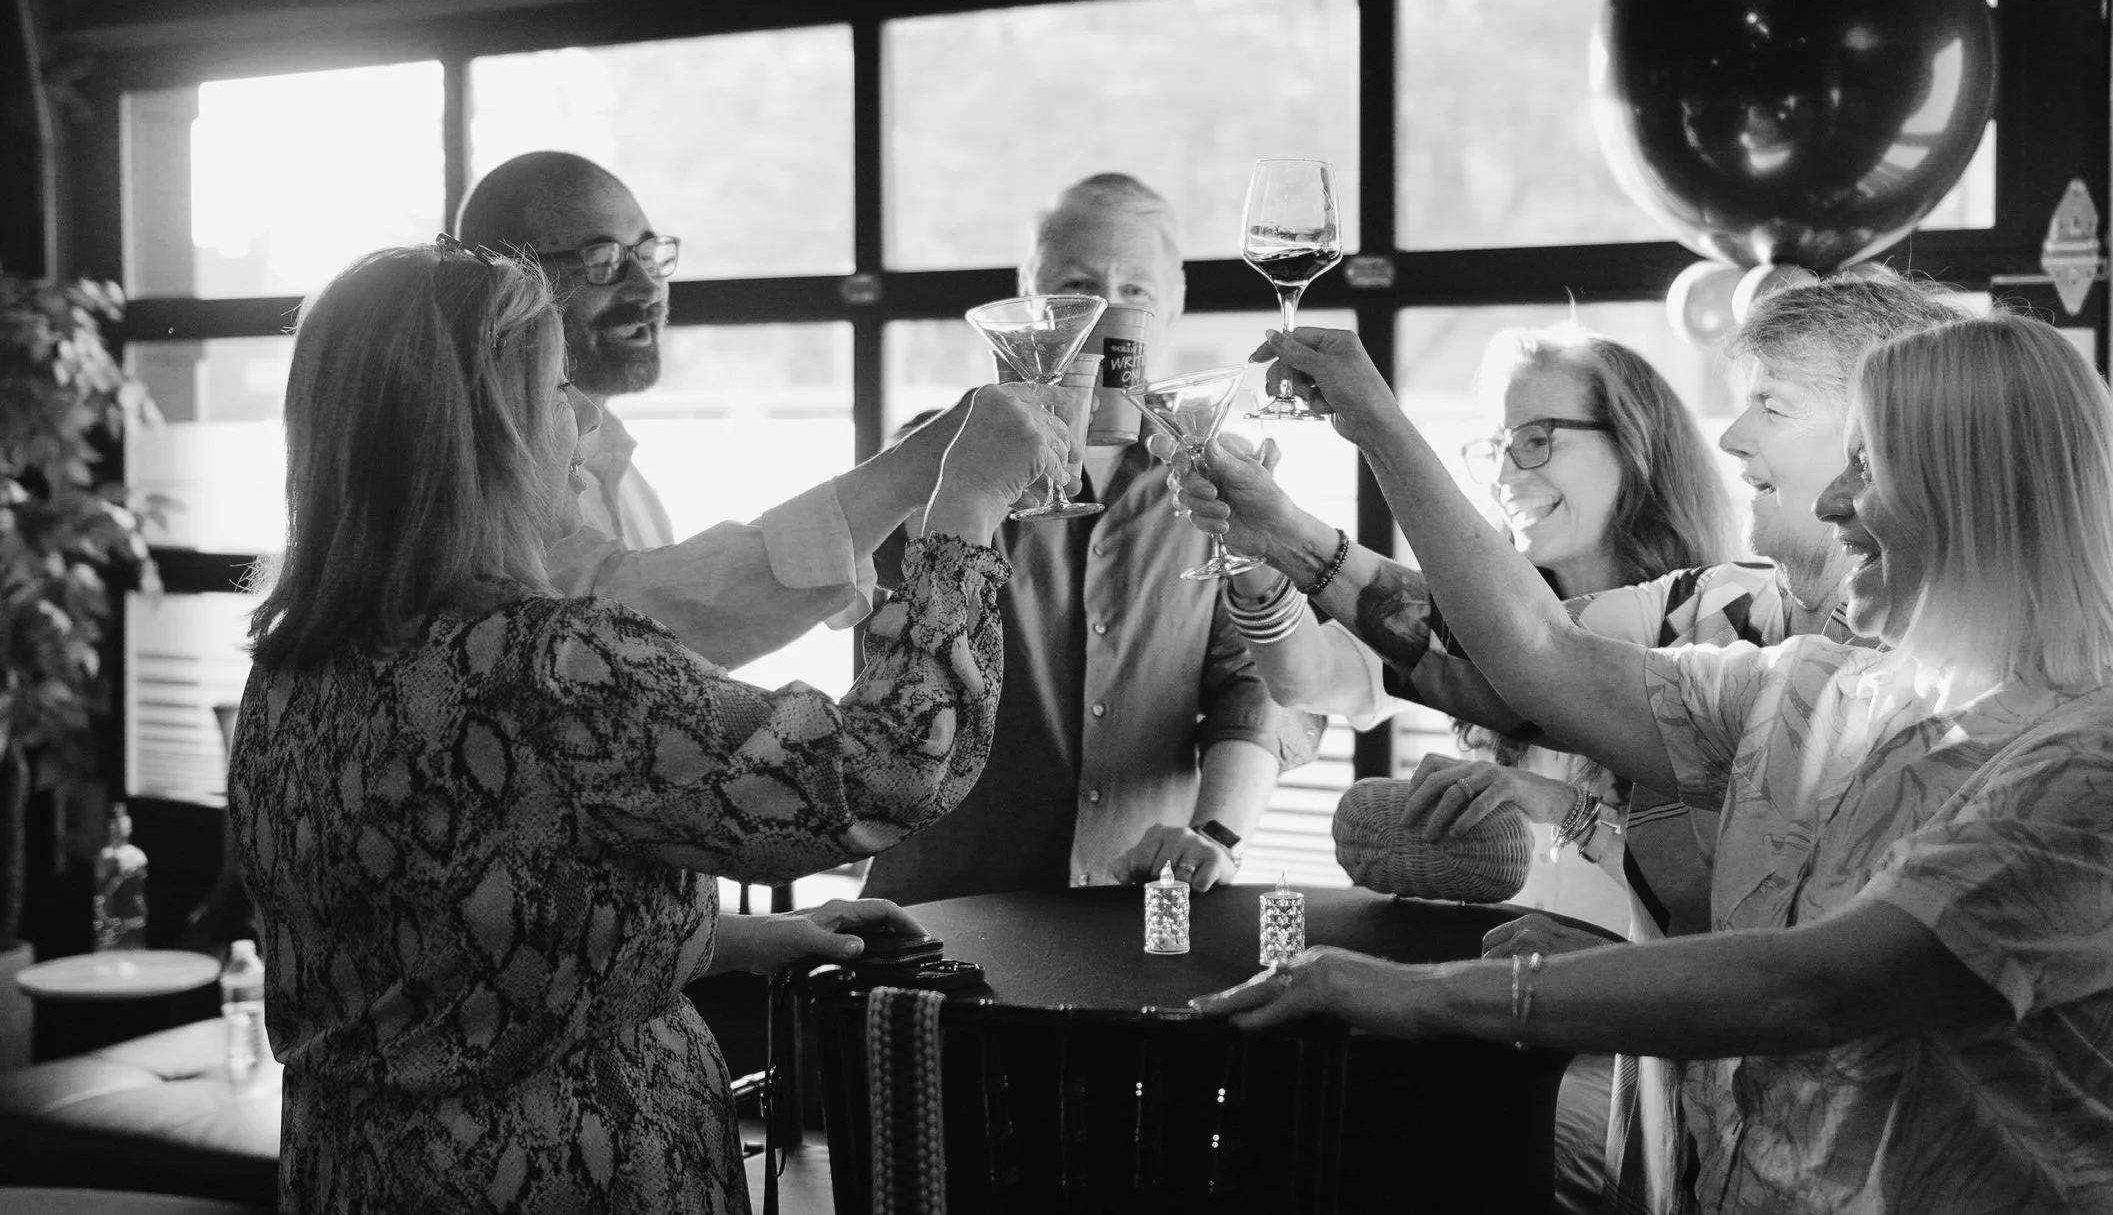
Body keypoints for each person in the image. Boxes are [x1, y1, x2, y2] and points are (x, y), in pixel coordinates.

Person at [1196, 311, 2113, 1213]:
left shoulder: (2110, 764)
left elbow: (1811, 990)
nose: (1834, 503)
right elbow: (1537, 655)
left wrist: (1424, 994)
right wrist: (1369, 426)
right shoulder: (1819, 685)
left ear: (1977, 492)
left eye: (1869, 465)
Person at [227, 241, 1071, 1213]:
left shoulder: (287, 673)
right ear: (486, 429)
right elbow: (882, 772)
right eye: (557, 389)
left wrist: (734, 938)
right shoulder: (551, 663)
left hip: (352, 1175)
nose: (585, 421)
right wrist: (966, 508)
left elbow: (454, 934)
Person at [863, 174, 1322, 905]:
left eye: (1134, 290)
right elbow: (884, 673)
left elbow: (1259, 688)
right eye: (1077, 286)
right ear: (1029, 294)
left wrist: (1216, 834)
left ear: (1173, 308)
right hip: (944, 911)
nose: (1106, 313)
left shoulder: (1218, 487)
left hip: (1138, 909)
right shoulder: (933, 459)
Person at [1215, 323, 1736, 930]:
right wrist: (1257, 552)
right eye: (1498, 447)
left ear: (1638, 446)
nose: (1505, 477)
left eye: (1536, 440)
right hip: (1499, 975)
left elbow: (1720, 897)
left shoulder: (1710, 628)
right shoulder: (1472, 615)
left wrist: (1569, 811)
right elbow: (1307, 679)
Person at [457, 151, 965, 670]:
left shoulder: (619, 461)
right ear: (506, 286)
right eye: (604, 259)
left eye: (648, 253)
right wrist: (910, 471)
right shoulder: (478, 474)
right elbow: (622, 631)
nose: (647, 286)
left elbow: (671, 669)